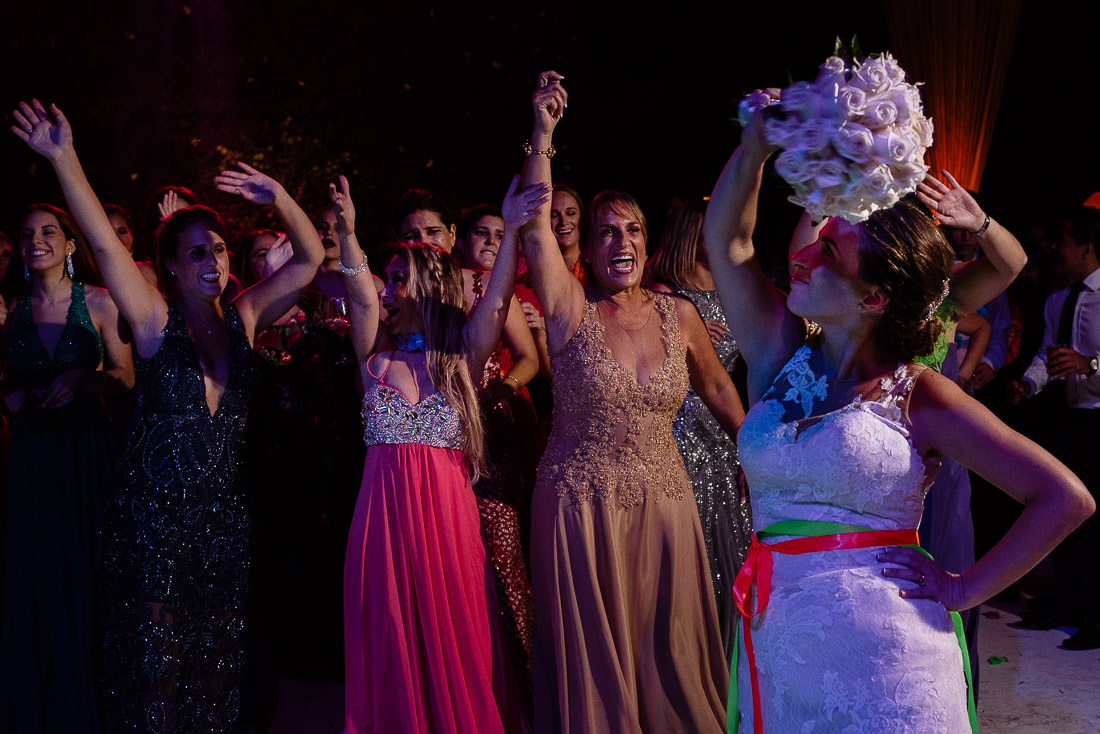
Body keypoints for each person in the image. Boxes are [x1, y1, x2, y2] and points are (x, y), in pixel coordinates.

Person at [706, 101, 1094, 733]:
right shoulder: (777, 354)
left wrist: (963, 590)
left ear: (875, 295)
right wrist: (754, 146)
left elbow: (1064, 498)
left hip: (889, 666)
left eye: (828, 250)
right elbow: (730, 240)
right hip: (779, 651)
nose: (801, 257)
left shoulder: (922, 395)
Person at [12, 98, 325, 732]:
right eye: (198, 253)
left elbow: (311, 260)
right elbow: (100, 240)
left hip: (223, 523)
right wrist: (63, 157)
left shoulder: (243, 319)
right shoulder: (156, 323)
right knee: (155, 670)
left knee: (214, 671)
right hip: (153, 521)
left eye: (220, 249)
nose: (215, 261)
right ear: (174, 268)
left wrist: (280, 196)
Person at [520, 72, 737, 733]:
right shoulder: (567, 311)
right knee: (598, 663)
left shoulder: (681, 314)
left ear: (649, 240)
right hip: (581, 507)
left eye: (633, 230)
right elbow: (530, 224)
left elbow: (721, 390)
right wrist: (544, 133)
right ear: (585, 248)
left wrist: (774, 455)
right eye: (607, 233)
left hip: (667, 502)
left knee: (665, 648)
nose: (622, 243)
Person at [336, 173, 546, 734]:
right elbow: (357, 291)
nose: (386, 289)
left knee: (455, 635)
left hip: (446, 519)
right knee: (389, 632)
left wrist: (514, 224)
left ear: (429, 285)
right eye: (387, 278)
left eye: (399, 279)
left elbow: (498, 298)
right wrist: (347, 232)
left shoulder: (461, 360)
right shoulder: (373, 355)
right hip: (380, 521)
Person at [0, 203, 134, 734]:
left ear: (71, 244)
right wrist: (9, 396)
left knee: (88, 571)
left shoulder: (100, 302)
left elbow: (126, 378)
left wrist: (87, 380)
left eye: (49, 232)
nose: (37, 241)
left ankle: (94, 705)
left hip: (86, 453)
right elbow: (2, 384)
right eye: (27, 233)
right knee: (41, 579)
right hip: (33, 460)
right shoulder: (9, 310)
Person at [646, 197, 750, 662]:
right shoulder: (665, 291)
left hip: (723, 432)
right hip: (682, 430)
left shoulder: (733, 288)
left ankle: (733, 659)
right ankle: (691, 659)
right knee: (694, 543)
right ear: (694, 233)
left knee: (733, 538)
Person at [453, 204, 542, 703]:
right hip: (443, 434)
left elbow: (529, 358)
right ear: (459, 240)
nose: (489, 241)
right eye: (480, 234)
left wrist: (500, 389)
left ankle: (525, 685)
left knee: (505, 555)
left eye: (498, 234)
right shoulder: (441, 288)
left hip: (494, 433)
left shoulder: (500, 292)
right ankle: (472, 686)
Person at [1007, 207, 1100, 649]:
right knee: (1064, 513)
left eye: (1062, 239)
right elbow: (1047, 354)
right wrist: (1029, 383)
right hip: (1069, 417)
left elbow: (1085, 361)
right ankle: (1066, 602)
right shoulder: (1059, 299)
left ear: (1085, 246)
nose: (1054, 248)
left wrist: (1091, 364)